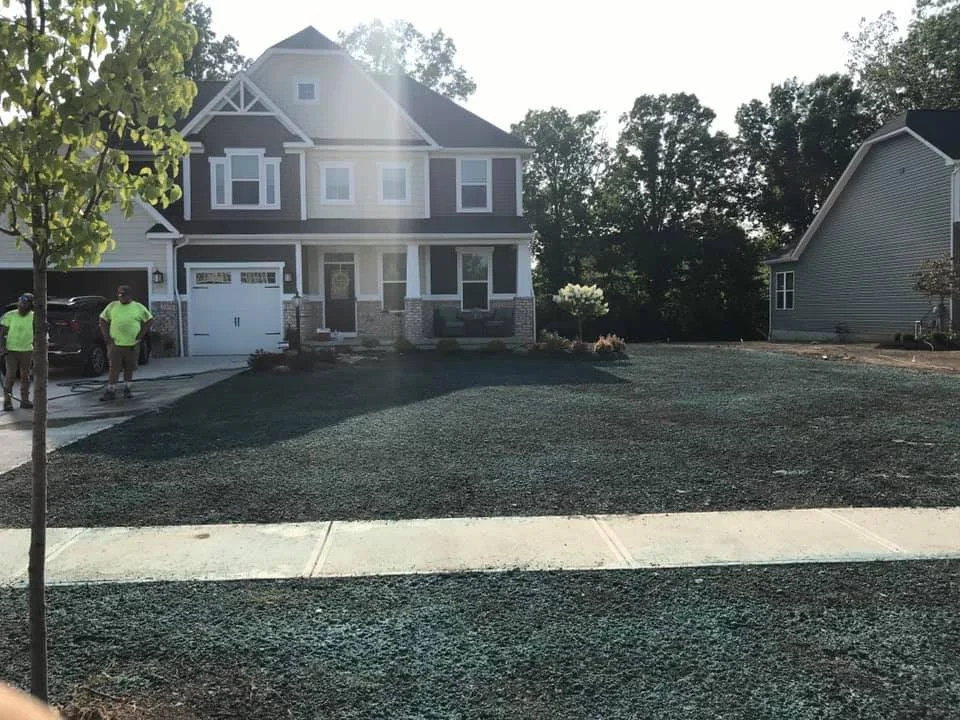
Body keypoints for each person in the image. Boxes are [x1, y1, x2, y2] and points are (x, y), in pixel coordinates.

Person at [99, 285, 153, 401]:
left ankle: (127, 389)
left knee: (129, 367)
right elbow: (102, 319)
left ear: (129, 295)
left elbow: (149, 320)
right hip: (116, 344)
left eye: (123, 295)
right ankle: (111, 390)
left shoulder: (138, 307)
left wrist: (141, 334)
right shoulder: (112, 306)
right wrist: (106, 336)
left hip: (132, 344)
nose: (121, 297)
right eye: (119, 294)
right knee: (114, 368)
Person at [1, 294, 35, 412]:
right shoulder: (10, 315)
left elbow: (38, 332)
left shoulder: (33, 317)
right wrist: (2, 347)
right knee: (10, 375)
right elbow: (2, 333)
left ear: (30, 305)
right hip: (11, 350)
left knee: (25, 376)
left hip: (27, 350)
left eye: (25, 304)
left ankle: (25, 400)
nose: (22, 305)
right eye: (20, 303)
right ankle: (7, 402)